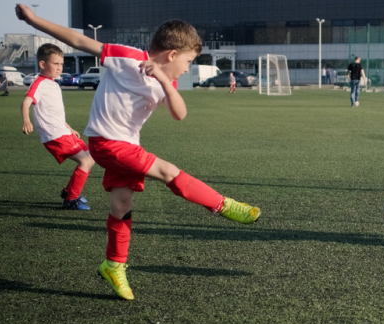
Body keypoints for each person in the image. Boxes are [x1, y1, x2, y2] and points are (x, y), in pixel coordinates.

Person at [16, 4, 262, 300]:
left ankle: (113, 265)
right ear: (172, 54)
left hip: (126, 146)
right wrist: (33, 20)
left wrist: (163, 80)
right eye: (187, 61)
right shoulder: (126, 57)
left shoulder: (166, 82)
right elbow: (78, 40)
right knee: (168, 171)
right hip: (106, 143)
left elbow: (180, 114)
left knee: (121, 204)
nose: (186, 68)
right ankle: (223, 205)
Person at [21, 43, 94, 210]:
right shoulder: (38, 84)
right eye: (55, 64)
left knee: (90, 156)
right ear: (42, 64)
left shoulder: (53, 83)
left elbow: (54, 113)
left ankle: (68, 191)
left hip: (63, 131)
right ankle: (70, 199)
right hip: (54, 135)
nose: (60, 67)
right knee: (86, 161)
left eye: (61, 64)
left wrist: (69, 127)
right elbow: (26, 102)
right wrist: (26, 120)